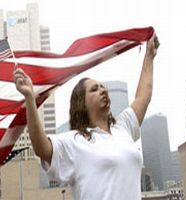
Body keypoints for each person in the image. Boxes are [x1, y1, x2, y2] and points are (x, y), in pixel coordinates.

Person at [14, 33, 159, 199]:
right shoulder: (75, 141)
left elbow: (143, 97)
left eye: (102, 87)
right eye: (94, 89)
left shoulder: (123, 127)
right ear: (81, 103)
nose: (102, 90)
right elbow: (42, 148)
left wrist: (149, 56)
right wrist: (30, 98)